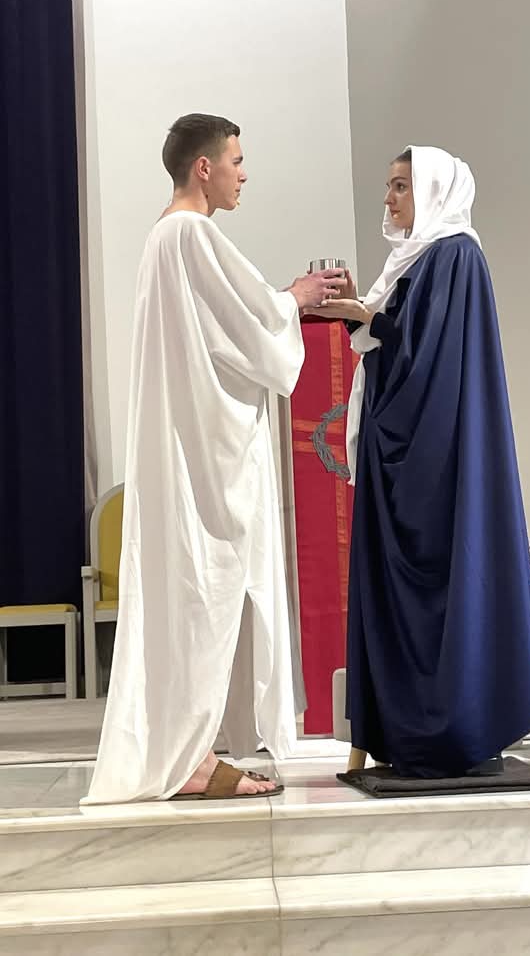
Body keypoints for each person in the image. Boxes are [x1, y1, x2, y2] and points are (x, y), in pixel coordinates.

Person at [83, 114, 345, 803]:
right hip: (201, 464)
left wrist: (278, 306)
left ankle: (190, 751)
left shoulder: (162, 238)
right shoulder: (191, 235)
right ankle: (190, 759)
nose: (243, 173)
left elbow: (228, 329)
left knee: (194, 603)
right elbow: (255, 334)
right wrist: (297, 299)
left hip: (185, 449)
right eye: (236, 159)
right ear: (204, 167)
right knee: (204, 598)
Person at [308, 145, 530, 778]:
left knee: (447, 577)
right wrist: (364, 314)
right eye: (388, 186)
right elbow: (397, 340)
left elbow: (428, 358)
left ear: (436, 190)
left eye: (401, 186)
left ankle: (459, 725)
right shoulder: (415, 258)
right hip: (404, 448)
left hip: (437, 459)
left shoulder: (456, 255)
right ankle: (389, 726)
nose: (388, 199)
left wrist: (363, 316)